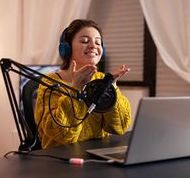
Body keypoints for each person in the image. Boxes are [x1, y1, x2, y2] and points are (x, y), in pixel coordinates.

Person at [34, 19, 132, 149]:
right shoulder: (49, 83)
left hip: (96, 156)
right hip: (61, 159)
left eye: (98, 42)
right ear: (67, 48)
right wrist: (76, 89)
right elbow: (63, 135)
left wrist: (112, 89)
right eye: (85, 41)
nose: (93, 46)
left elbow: (120, 128)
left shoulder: (102, 79)